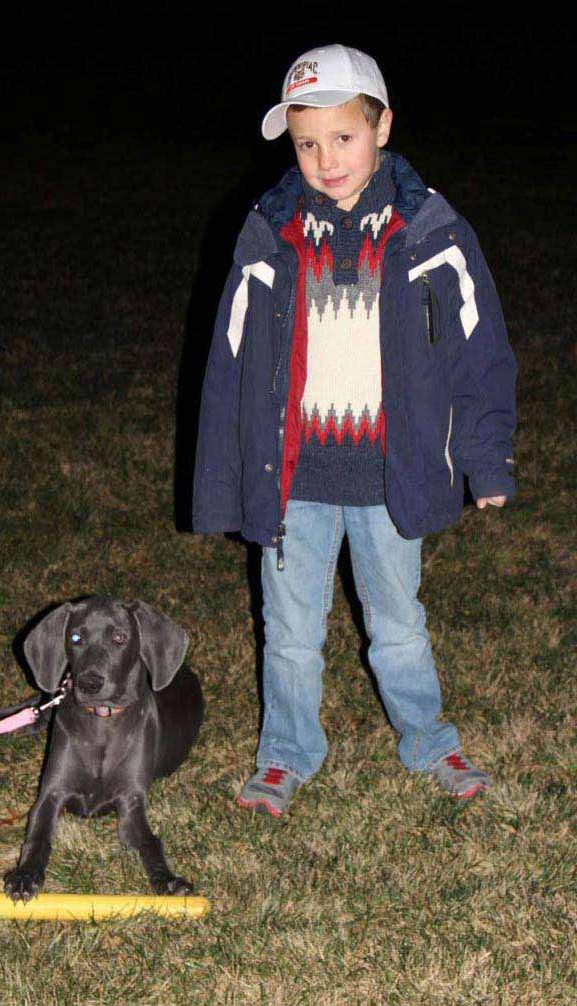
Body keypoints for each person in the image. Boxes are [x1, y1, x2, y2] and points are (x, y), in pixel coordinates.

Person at [192, 43, 516, 816]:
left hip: (390, 474)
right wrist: (220, 481)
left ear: (383, 127)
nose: (326, 158)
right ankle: (286, 754)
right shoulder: (269, 231)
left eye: (344, 137)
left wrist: (487, 458)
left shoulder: (431, 228)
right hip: (293, 477)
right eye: (308, 143)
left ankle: (431, 740)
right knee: (290, 628)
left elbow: (480, 346)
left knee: (398, 621)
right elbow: (228, 360)